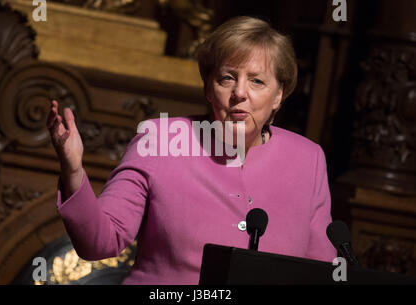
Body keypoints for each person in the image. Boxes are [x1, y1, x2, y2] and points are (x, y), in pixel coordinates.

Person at [47, 16, 337, 285]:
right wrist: (73, 171)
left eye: (257, 81)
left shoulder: (307, 159)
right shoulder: (161, 140)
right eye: (227, 78)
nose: (239, 93)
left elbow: (320, 272)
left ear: (278, 95)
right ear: (208, 89)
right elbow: (100, 242)